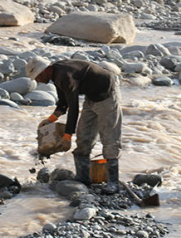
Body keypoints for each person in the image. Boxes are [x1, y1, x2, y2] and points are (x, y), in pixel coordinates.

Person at [26, 57, 122, 188]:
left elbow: (74, 108)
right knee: (83, 139)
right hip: (91, 98)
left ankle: (113, 183)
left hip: (107, 95)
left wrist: (67, 135)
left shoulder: (65, 75)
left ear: (45, 70)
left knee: (109, 138)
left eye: (37, 76)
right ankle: (83, 179)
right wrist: (51, 119)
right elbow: (63, 102)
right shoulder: (56, 74)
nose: (38, 80)